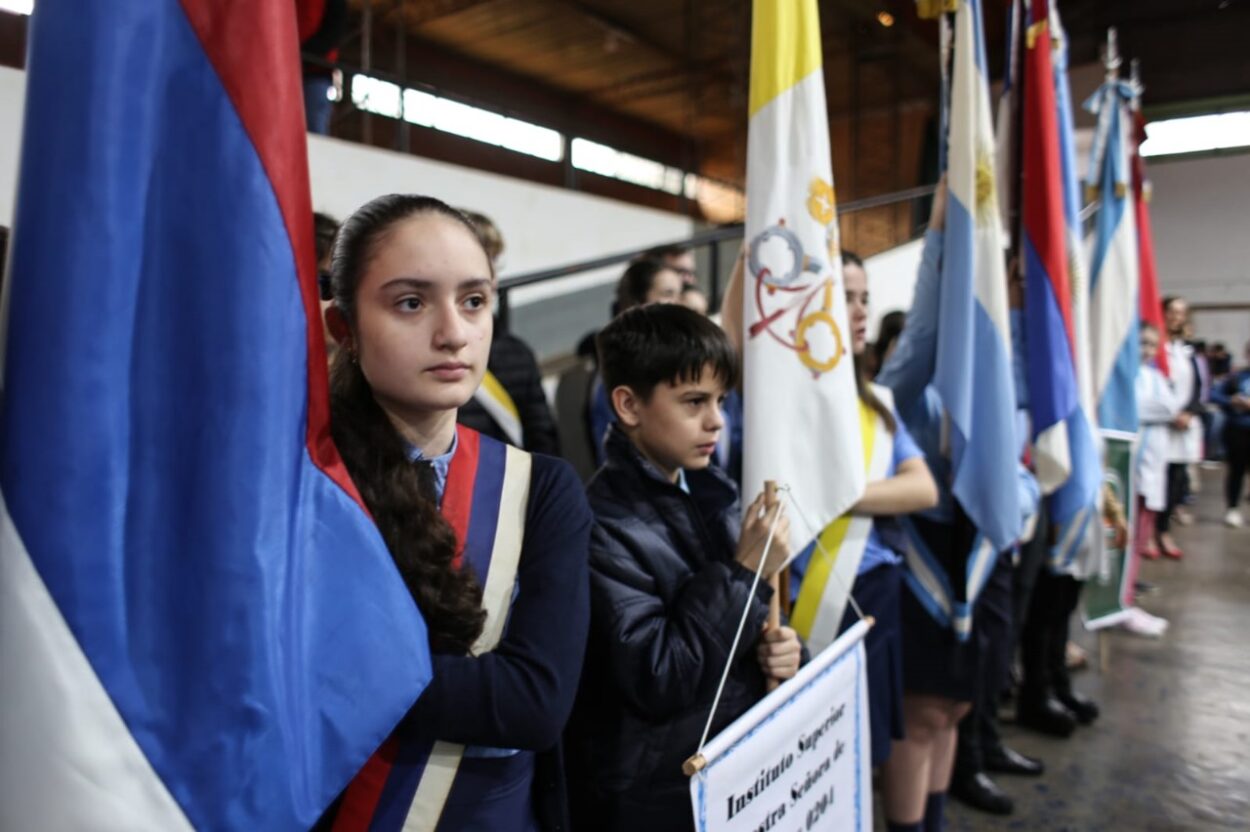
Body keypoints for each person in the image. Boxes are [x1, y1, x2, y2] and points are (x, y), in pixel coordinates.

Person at [317, 195, 591, 831]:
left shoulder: (541, 488)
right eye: (410, 302)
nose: (454, 332)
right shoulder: (304, 485)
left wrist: (335, 678)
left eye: (474, 301)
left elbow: (535, 705)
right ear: (344, 329)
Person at [566, 303, 801, 831]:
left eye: (720, 400)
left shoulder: (709, 490)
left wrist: (784, 648)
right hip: (654, 793)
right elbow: (661, 674)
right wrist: (746, 574)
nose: (717, 420)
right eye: (694, 401)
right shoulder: (602, 525)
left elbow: (730, 641)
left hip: (719, 767)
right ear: (628, 405)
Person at [788, 250, 939, 776]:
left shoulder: (878, 400)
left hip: (872, 592)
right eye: (843, 298)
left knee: (860, 755)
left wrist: (835, 492)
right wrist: (874, 491)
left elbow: (922, 489)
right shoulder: (783, 402)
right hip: (795, 607)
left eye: (864, 299)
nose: (858, 312)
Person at [456, 210, 562, 455]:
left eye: (492, 262)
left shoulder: (518, 353)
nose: (488, 277)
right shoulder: (426, 346)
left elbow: (542, 439)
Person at [586, 258, 688, 463]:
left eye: (679, 294)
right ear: (637, 302)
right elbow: (616, 459)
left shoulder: (684, 359)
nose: (678, 304)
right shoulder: (617, 371)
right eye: (668, 294)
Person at [1122, 323, 1177, 636]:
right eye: (1141, 342)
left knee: (1140, 541)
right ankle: (1121, 602)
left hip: (1153, 472)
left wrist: (1153, 410)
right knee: (1124, 542)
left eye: (1152, 344)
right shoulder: (1126, 376)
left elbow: (1170, 407)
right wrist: (1156, 410)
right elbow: (1130, 409)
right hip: (1131, 472)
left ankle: (1128, 598)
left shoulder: (1155, 377)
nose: (1147, 349)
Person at [1159, 296, 1203, 556]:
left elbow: (1198, 387)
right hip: (1161, 423)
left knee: (1177, 483)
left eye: (1182, 312)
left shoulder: (1186, 349)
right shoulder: (1157, 346)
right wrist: (1170, 412)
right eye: (1172, 311)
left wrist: (1188, 412)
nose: (1177, 317)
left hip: (1182, 425)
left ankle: (1164, 531)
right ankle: (1152, 534)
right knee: (1156, 486)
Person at [1212, 340, 1250, 528]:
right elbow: (1214, 394)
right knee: (1236, 471)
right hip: (1238, 430)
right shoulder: (1236, 377)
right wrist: (1232, 400)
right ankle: (1232, 508)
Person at [298, 0, 347, 135]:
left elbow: (333, 31)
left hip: (314, 72)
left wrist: (301, 54)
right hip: (287, 70)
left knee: (314, 129)